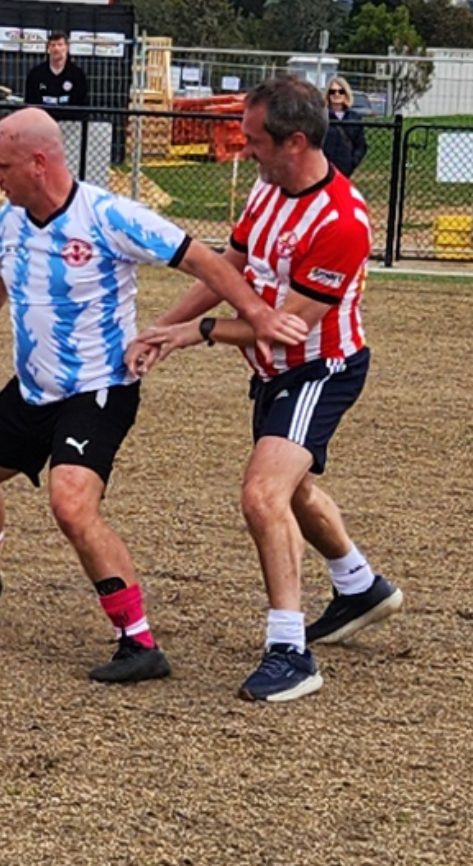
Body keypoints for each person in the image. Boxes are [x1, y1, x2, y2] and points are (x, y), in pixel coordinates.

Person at [0, 107, 308, 685]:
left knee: (71, 504)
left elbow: (202, 259)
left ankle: (139, 642)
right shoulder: (11, 220)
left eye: (2, 166)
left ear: (39, 162)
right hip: (35, 387)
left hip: (99, 388)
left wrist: (257, 313)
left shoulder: (108, 216)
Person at [135, 77, 403, 703]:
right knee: (294, 490)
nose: (244, 148)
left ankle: (290, 653)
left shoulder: (342, 222)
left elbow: (286, 328)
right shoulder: (267, 188)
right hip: (273, 371)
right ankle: (360, 586)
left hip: (320, 369)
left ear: (296, 141)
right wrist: (161, 329)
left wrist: (198, 332)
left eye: (254, 139)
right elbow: (226, 270)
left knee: (263, 495)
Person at [23, 31, 88, 119]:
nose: (56, 48)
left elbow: (80, 104)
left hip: (69, 122)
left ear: (67, 48)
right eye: (53, 45)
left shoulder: (77, 74)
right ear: (48, 49)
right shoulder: (36, 74)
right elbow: (31, 102)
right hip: (43, 121)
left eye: (60, 45)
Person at [322, 76, 368, 178]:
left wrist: (353, 161)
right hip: (324, 168)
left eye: (341, 91)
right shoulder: (322, 116)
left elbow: (361, 144)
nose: (337, 94)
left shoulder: (355, 117)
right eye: (332, 91)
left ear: (346, 93)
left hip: (345, 167)